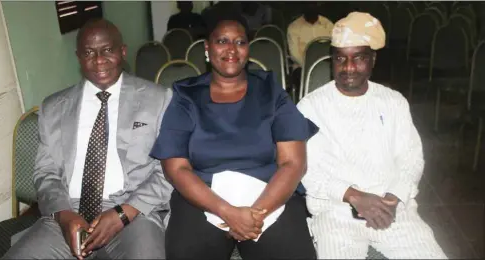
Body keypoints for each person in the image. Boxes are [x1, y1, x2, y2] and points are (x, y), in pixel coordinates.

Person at [150, 8, 318, 260]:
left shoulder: (271, 93)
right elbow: (176, 169)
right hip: (203, 198)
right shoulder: (187, 97)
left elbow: (293, 163)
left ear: (248, 49)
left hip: (268, 196)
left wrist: (254, 215)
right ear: (207, 49)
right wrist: (227, 212)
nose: (232, 49)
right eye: (222, 41)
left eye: (240, 42)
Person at [3, 19, 173, 259]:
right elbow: (46, 173)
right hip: (68, 210)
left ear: (122, 51)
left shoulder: (158, 99)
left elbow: (169, 170)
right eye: (89, 53)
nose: (99, 60)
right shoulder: (54, 107)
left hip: (134, 212)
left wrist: (124, 213)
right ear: (78, 56)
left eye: (107, 50)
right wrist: (64, 216)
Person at [297, 12, 448, 259]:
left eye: (359, 58)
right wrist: (354, 196)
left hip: (393, 211)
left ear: (373, 60)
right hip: (337, 213)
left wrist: (393, 197)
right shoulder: (310, 107)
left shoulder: (393, 102)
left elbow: (411, 158)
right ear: (331, 61)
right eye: (340, 59)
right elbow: (307, 169)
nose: (349, 68)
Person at [287, 2, 334, 90]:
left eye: (313, 4)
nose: (311, 7)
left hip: (327, 66)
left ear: (318, 5)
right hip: (302, 68)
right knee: (300, 77)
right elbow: (294, 54)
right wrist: (311, 67)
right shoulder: (294, 27)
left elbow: (335, 47)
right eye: (308, 4)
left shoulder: (328, 25)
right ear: (303, 7)